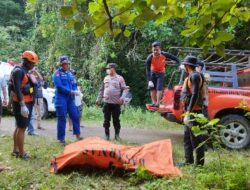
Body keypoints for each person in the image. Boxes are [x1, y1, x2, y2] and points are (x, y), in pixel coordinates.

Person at [10, 50, 39, 160]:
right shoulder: (19, 71)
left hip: (26, 101)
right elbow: (17, 89)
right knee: (22, 128)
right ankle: (22, 153)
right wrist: (22, 105)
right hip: (21, 102)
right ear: (26, 61)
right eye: (32, 63)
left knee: (18, 126)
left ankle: (15, 150)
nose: (33, 65)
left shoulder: (25, 71)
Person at [180, 56, 206, 166]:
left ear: (186, 65)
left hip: (194, 113)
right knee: (187, 138)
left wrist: (188, 113)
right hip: (189, 112)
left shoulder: (195, 76)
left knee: (197, 139)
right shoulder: (191, 75)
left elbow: (195, 95)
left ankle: (199, 165)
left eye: (184, 65)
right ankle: (188, 161)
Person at [52, 56, 82, 144]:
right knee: (62, 118)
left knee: (75, 116)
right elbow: (59, 87)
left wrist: (76, 90)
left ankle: (78, 135)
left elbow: (74, 84)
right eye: (64, 64)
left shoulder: (70, 74)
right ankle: (61, 139)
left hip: (70, 99)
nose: (66, 65)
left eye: (67, 64)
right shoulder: (57, 74)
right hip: (61, 98)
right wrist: (71, 91)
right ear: (61, 64)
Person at [96, 63, 129, 141]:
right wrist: (98, 99)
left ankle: (117, 136)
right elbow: (102, 90)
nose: (107, 70)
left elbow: (125, 89)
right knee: (106, 120)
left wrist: (122, 98)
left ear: (113, 69)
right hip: (106, 103)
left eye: (108, 68)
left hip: (116, 104)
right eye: (107, 69)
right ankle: (107, 136)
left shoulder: (120, 78)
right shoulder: (106, 78)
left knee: (116, 120)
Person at [146, 41, 180, 107]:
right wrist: (149, 80)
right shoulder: (149, 57)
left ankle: (158, 103)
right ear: (152, 50)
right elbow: (147, 69)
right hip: (153, 73)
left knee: (159, 88)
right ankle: (154, 102)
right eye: (154, 50)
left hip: (161, 73)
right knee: (152, 88)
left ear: (160, 49)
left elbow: (175, 58)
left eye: (157, 50)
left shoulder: (164, 54)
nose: (155, 51)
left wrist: (180, 64)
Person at [27, 68, 48, 135]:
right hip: (34, 98)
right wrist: (31, 94)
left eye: (36, 73)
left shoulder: (40, 80)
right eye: (33, 73)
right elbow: (30, 89)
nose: (35, 74)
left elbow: (44, 85)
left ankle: (39, 125)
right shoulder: (31, 80)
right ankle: (31, 127)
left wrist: (36, 71)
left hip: (40, 97)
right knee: (32, 113)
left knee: (39, 112)